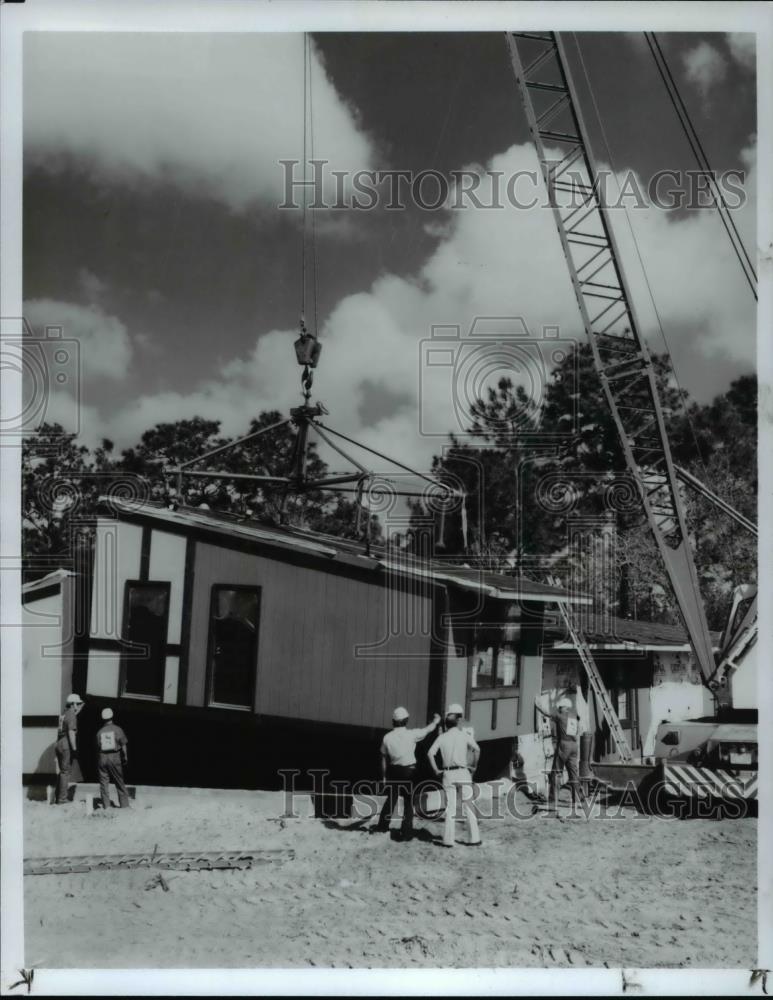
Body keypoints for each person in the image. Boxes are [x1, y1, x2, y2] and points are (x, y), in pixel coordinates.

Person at [373, 706, 441, 840]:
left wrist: (384, 777)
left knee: (391, 800)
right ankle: (406, 832)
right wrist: (436, 721)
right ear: (406, 720)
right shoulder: (412, 734)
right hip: (409, 771)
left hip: (394, 770)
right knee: (409, 802)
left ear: (393, 721)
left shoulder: (387, 738)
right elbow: (428, 730)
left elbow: (383, 758)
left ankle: (382, 826)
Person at [428, 704, 481, 848]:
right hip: (463, 772)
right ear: (458, 720)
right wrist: (474, 766)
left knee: (450, 807)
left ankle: (448, 840)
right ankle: (474, 838)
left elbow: (430, 753)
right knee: (468, 805)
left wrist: (436, 770)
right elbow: (477, 749)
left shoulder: (442, 738)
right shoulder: (464, 735)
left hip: (448, 773)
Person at [535, 695, 585, 813]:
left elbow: (547, 712)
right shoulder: (574, 717)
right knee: (574, 774)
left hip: (564, 745)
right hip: (574, 746)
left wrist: (538, 704)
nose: (559, 709)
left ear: (563, 707)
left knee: (556, 773)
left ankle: (553, 801)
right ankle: (578, 800)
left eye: (560, 707)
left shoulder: (560, 715)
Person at [95, 707, 130, 809]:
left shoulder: (99, 732)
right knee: (119, 781)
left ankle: (106, 806)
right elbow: (123, 744)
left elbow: (98, 747)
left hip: (102, 758)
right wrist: (125, 756)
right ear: (112, 716)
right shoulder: (118, 729)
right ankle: (124, 805)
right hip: (114, 757)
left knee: (104, 783)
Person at [55, 693, 84, 804]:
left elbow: (69, 719)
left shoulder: (64, 714)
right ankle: (62, 799)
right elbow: (71, 732)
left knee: (62, 771)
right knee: (65, 772)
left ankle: (59, 797)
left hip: (59, 743)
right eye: (77, 703)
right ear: (73, 704)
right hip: (66, 744)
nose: (78, 705)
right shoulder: (71, 715)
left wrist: (78, 710)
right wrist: (75, 748)